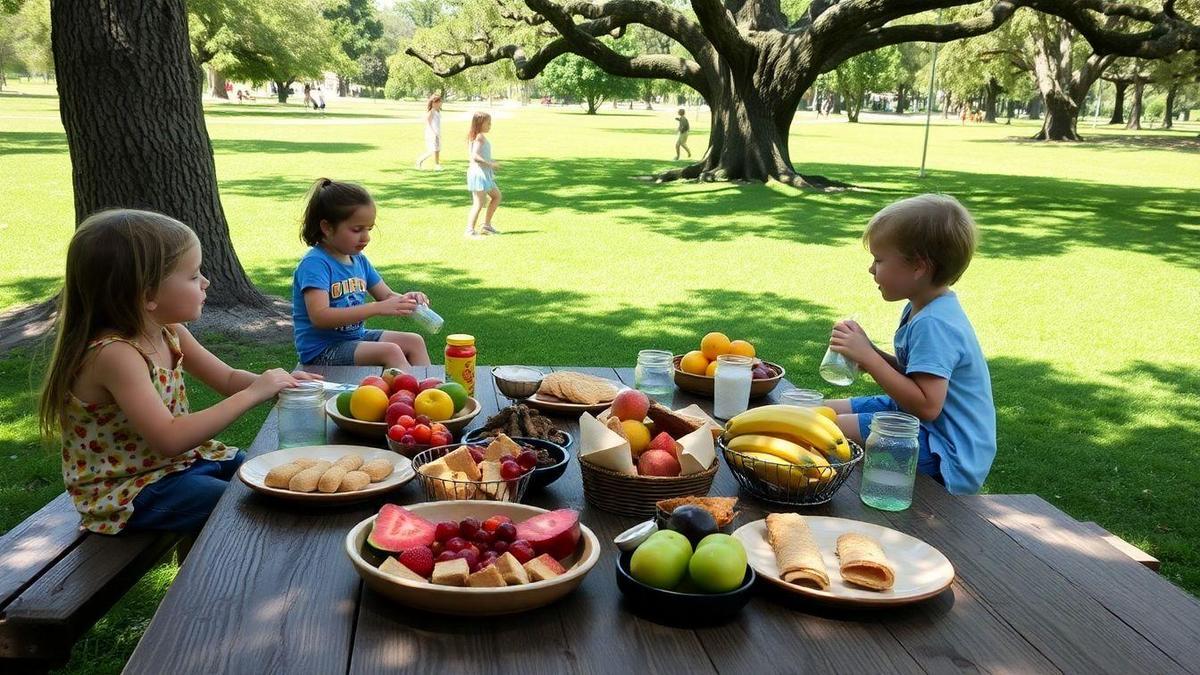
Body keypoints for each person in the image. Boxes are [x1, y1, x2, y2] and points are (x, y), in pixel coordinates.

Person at [38, 210, 321, 534]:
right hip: (129, 492)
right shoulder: (115, 355)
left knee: (275, 476)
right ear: (148, 295)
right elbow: (169, 438)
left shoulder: (170, 331)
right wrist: (253, 394)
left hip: (182, 465)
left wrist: (277, 384)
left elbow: (227, 378)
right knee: (249, 503)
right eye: (193, 275)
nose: (206, 282)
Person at [825, 194, 996, 495]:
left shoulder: (934, 323)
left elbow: (928, 405)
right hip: (916, 420)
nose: (871, 269)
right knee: (820, 412)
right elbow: (915, 376)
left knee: (826, 430)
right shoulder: (922, 308)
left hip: (946, 451)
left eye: (879, 260)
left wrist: (870, 359)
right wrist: (870, 352)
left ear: (918, 266)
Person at [292, 178, 433, 368]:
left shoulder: (358, 260)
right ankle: (411, 387)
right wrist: (376, 308)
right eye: (357, 229)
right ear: (327, 228)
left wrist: (408, 300)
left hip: (354, 338)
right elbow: (320, 317)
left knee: (414, 341)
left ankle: (432, 386)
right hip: (321, 351)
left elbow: (386, 296)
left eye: (369, 229)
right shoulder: (315, 264)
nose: (366, 237)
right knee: (390, 351)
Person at [464, 112, 501, 238]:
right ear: (480, 124)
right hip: (479, 174)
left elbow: (482, 154)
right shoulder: (479, 137)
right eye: (488, 123)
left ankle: (486, 225)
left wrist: (491, 163)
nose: (490, 125)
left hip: (484, 174)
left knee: (496, 196)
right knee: (479, 203)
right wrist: (490, 164)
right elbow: (475, 156)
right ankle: (469, 231)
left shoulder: (478, 136)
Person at [415, 94, 443, 171]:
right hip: (432, 133)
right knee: (432, 150)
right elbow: (428, 122)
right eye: (439, 102)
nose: (440, 103)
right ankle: (419, 161)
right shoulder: (432, 112)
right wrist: (433, 132)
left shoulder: (437, 111)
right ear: (434, 103)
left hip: (437, 132)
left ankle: (437, 165)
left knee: (437, 149)